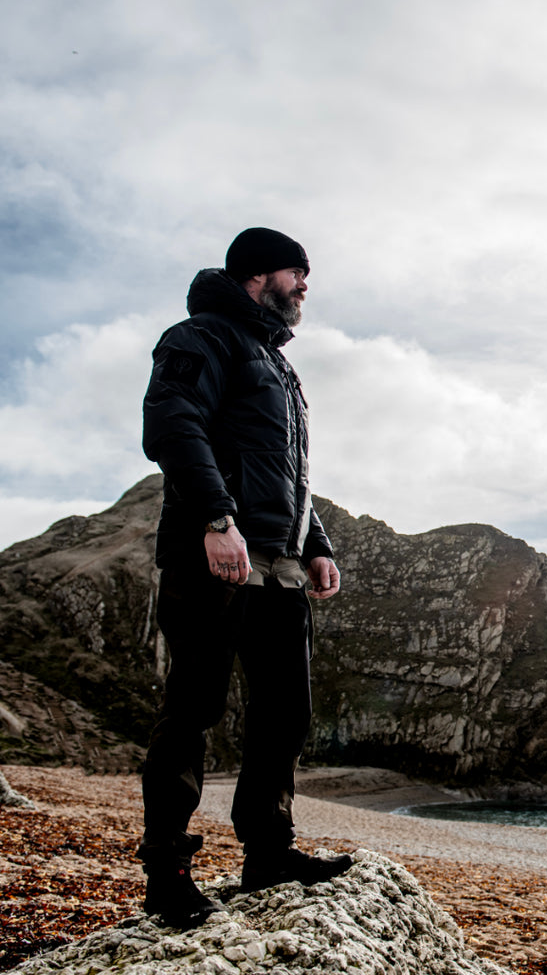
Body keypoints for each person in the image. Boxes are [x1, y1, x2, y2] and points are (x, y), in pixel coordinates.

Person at [138, 227, 352, 928]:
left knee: (284, 711)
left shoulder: (278, 367)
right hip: (215, 554)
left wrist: (314, 544)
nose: (305, 288)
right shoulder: (200, 337)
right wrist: (215, 519)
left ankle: (268, 853)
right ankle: (168, 873)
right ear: (262, 275)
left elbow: (290, 475)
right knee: (193, 711)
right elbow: (172, 425)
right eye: (299, 273)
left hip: (281, 565)